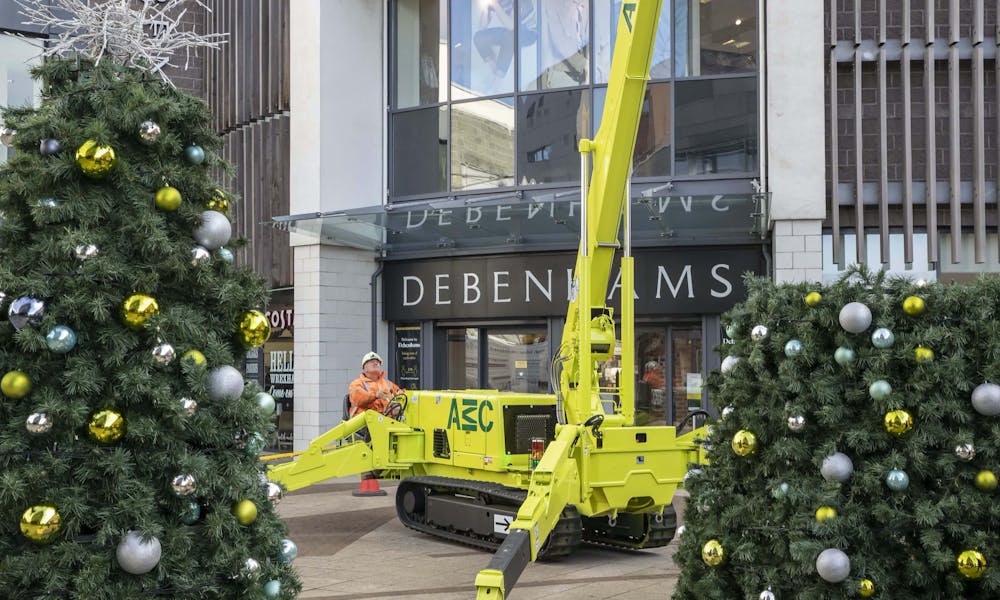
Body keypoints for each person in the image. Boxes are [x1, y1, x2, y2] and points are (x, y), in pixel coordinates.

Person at [349, 351, 403, 421]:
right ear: (364, 367)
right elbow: (359, 399)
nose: (376, 363)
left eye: (378, 362)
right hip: (364, 423)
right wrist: (375, 395)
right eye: (372, 361)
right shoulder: (356, 383)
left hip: (386, 421)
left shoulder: (388, 383)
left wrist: (398, 404)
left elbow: (402, 395)